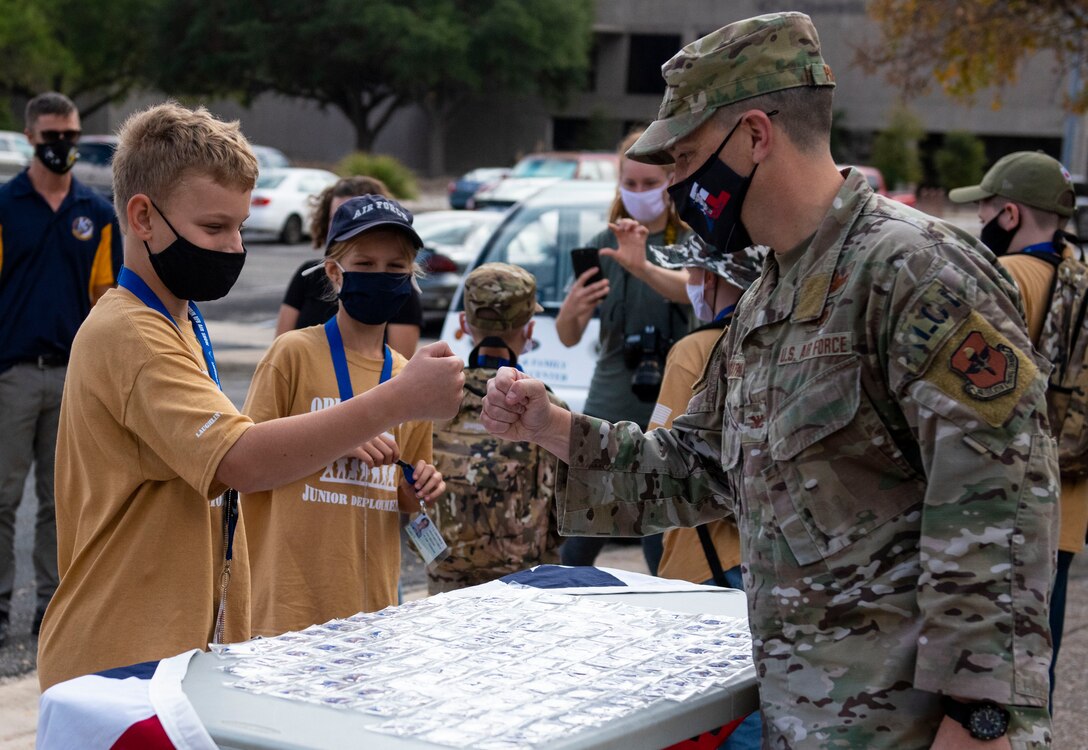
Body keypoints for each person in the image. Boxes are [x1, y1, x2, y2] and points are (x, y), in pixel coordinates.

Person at [481, 12, 1056, 749]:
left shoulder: (913, 271)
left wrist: (978, 720)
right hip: (809, 720)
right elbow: (701, 466)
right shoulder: (767, 296)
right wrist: (553, 429)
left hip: (919, 732)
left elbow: (998, 503)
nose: (678, 187)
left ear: (755, 136)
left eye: (687, 160)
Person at [36, 102, 463, 690]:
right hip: (123, 665)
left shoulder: (179, 321)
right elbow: (242, 459)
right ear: (143, 217)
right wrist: (396, 399)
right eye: (214, 228)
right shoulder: (131, 332)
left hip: (177, 660)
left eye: (239, 226)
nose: (235, 246)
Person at [243, 194, 445, 635]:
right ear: (335, 273)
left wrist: (422, 486)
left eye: (396, 268)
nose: (381, 277)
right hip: (287, 603)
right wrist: (335, 435)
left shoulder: (408, 378)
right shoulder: (292, 353)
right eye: (365, 264)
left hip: (370, 608)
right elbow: (243, 464)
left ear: (411, 277)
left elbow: (406, 497)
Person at [949, 152, 1087, 706]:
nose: (978, 215)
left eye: (983, 205)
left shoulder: (1004, 278)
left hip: (998, 507)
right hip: (1068, 507)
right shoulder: (1081, 276)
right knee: (1035, 663)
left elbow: (961, 393)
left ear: (1008, 213)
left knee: (984, 672)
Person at [0, 92, 121, 648]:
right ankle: (1, 606)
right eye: (52, 138)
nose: (62, 148)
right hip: (14, 373)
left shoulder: (95, 214)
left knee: (62, 499)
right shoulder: (6, 206)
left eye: (70, 137)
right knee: (3, 497)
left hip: (74, 375)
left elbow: (106, 300)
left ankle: (53, 605)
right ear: (31, 137)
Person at [554, 128, 693, 574]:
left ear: (673, 180)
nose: (638, 193)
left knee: (658, 533)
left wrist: (643, 267)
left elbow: (694, 294)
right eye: (629, 184)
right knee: (581, 534)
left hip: (670, 401)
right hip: (610, 395)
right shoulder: (603, 244)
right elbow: (569, 335)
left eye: (650, 184)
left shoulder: (689, 242)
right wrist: (573, 310)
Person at [648, 237, 767, 750]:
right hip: (766, 560)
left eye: (696, 273)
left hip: (704, 565)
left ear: (718, 278)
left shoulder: (694, 350)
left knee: (710, 722)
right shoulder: (781, 342)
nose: (692, 284)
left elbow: (660, 460)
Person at [428, 262, 567, 594]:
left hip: (447, 580)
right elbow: (567, 507)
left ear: (464, 323)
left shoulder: (436, 398)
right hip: (524, 582)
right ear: (530, 329)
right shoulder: (544, 407)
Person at [274, 175, 424, 357]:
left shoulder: (397, 285)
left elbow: (401, 370)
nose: (380, 272)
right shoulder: (308, 277)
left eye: (395, 265)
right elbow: (279, 346)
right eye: (336, 217)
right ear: (333, 271)